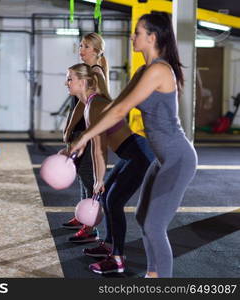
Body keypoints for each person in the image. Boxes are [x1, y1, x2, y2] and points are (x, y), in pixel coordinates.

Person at [70, 12, 198, 278]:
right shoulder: (143, 71)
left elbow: (119, 113)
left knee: (153, 225)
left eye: (137, 33)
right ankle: (153, 274)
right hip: (162, 159)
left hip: (177, 158)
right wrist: (87, 131)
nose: (132, 36)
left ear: (152, 37)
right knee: (143, 218)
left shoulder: (159, 70)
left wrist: (83, 137)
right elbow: (115, 106)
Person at [65, 63, 154, 274]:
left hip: (139, 155)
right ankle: (108, 245)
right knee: (107, 198)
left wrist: (98, 179)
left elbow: (99, 149)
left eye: (70, 78)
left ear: (83, 82)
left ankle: (118, 260)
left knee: (113, 201)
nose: (66, 82)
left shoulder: (95, 106)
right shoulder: (89, 105)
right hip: (131, 153)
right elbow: (92, 146)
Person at [61, 33, 108, 243]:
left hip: (87, 132)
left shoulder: (95, 73)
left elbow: (82, 105)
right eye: (81, 45)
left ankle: (90, 227)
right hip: (82, 131)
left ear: (97, 51)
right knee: (82, 174)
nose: (81, 49)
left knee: (89, 177)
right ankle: (83, 217)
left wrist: (70, 127)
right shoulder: (89, 71)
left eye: (86, 46)